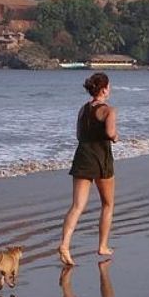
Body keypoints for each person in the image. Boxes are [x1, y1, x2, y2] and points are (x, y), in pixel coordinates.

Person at [57, 72, 118, 265]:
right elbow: (109, 132)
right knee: (107, 204)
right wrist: (116, 136)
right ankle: (102, 246)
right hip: (101, 158)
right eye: (109, 87)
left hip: (82, 156)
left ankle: (65, 245)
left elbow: (78, 134)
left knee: (77, 206)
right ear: (104, 89)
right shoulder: (108, 110)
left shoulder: (83, 110)